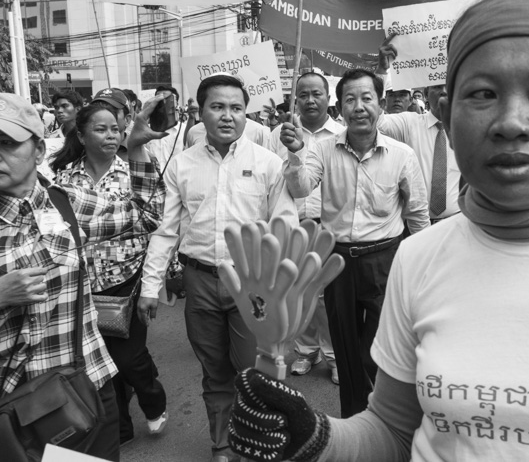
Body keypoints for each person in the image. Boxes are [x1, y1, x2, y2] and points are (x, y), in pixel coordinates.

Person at [228, 0, 529, 461]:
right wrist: (316, 439)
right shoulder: (418, 258)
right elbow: (392, 430)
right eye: (483, 94)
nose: (511, 122)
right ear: (447, 116)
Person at [138, 73, 298, 462]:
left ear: (247, 114)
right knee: (214, 371)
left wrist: (283, 287)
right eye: (218, 107)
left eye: (236, 108)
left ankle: (258, 441)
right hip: (200, 281)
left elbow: (285, 225)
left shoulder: (269, 163)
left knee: (253, 370)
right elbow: (165, 230)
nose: (228, 116)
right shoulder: (182, 165)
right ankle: (223, 445)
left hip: (252, 282)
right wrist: (149, 286)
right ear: (200, 111)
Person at [0, 92, 166, 461]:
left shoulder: (64, 201)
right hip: (12, 403)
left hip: (83, 386)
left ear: (39, 151)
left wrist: (136, 148)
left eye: (7, 143)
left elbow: (145, 217)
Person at [280, 68, 429, 418]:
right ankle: (354, 421)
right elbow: (300, 188)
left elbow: (418, 213)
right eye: (350, 99)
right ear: (340, 107)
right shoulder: (321, 149)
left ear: (380, 105)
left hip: (385, 261)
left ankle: (386, 418)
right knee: (345, 351)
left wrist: (424, 263)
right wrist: (295, 153)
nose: (359, 107)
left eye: (366, 98)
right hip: (339, 262)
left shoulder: (401, 155)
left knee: (378, 350)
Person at [52, 103, 169, 446]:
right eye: (101, 129)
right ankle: (120, 429)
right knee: (98, 363)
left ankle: (152, 397)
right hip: (83, 283)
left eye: (115, 130)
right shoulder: (63, 177)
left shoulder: (135, 168)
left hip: (125, 280)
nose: (110, 135)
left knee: (128, 358)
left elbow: (152, 219)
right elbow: (63, 229)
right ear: (81, 135)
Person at [269, 72, 344, 384]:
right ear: (295, 99)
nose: (311, 100)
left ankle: (334, 355)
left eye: (317, 94)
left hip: (329, 228)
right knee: (298, 294)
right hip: (292, 226)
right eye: (304, 94)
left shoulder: (342, 133)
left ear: (329, 98)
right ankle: (305, 350)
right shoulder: (277, 135)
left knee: (328, 295)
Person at [376, 42, 461, 222]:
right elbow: (376, 121)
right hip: (413, 225)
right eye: (437, 87)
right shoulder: (409, 123)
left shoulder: (467, 129)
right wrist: (382, 72)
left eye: (448, 87)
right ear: (425, 93)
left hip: (456, 222)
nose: (444, 92)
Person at [91, 88, 132, 161]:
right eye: (97, 110)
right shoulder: (82, 154)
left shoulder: (141, 156)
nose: (105, 115)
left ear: (127, 120)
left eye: (112, 111)